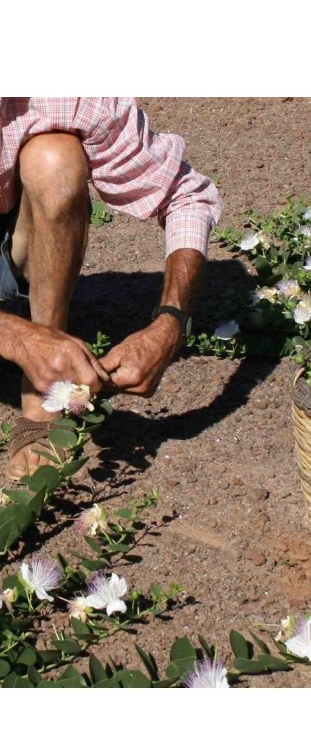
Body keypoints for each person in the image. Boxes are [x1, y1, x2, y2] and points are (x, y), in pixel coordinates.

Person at [0, 97, 222, 481]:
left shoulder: (67, 95)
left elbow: (186, 196)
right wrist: (18, 338)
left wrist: (170, 321)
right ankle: (38, 352)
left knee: (55, 159)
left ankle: (43, 392)